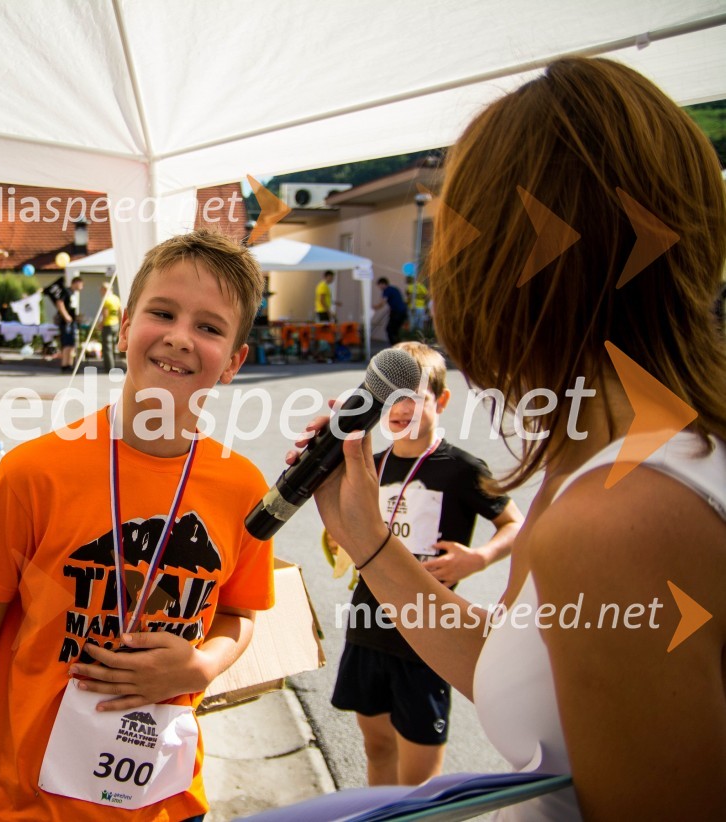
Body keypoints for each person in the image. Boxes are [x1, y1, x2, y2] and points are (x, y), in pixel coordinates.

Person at [299, 57, 726, 818]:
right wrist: (366, 537)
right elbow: (534, 666)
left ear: (493, 272)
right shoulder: (626, 461)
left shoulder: (617, 516)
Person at [0, 230, 275, 822]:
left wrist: (204, 664)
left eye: (210, 327)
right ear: (123, 329)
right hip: (32, 806)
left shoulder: (243, 489)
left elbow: (238, 615)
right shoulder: (35, 472)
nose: (178, 337)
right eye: (162, 313)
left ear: (234, 362)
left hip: (167, 803)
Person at [331, 341, 524, 786]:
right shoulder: (369, 466)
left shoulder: (460, 468)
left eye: (412, 396)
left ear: (440, 400)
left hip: (427, 638)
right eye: (389, 397)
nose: (399, 409)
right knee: (377, 748)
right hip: (368, 627)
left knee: (420, 780)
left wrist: (478, 559)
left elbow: (515, 523)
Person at [55, 275, 83, 373]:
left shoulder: (73, 294)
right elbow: (59, 303)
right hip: (66, 322)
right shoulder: (66, 292)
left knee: (71, 344)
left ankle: (69, 364)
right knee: (66, 343)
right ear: (76, 283)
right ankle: (64, 365)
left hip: (72, 321)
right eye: (81, 284)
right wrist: (66, 316)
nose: (82, 287)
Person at [373, 277, 407, 346]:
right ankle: (398, 345)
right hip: (403, 312)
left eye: (379, 285)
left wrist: (374, 307)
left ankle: (395, 346)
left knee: (389, 329)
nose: (379, 288)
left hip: (397, 313)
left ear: (383, 284)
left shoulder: (386, 290)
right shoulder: (394, 289)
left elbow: (382, 303)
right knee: (396, 330)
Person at [99, 281, 122, 372]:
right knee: (112, 346)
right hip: (115, 324)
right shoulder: (116, 299)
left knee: (107, 348)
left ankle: (109, 368)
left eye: (101, 290)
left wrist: (101, 324)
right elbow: (120, 312)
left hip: (108, 325)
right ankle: (112, 365)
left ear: (105, 290)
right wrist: (120, 323)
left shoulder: (106, 300)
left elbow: (105, 315)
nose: (100, 292)